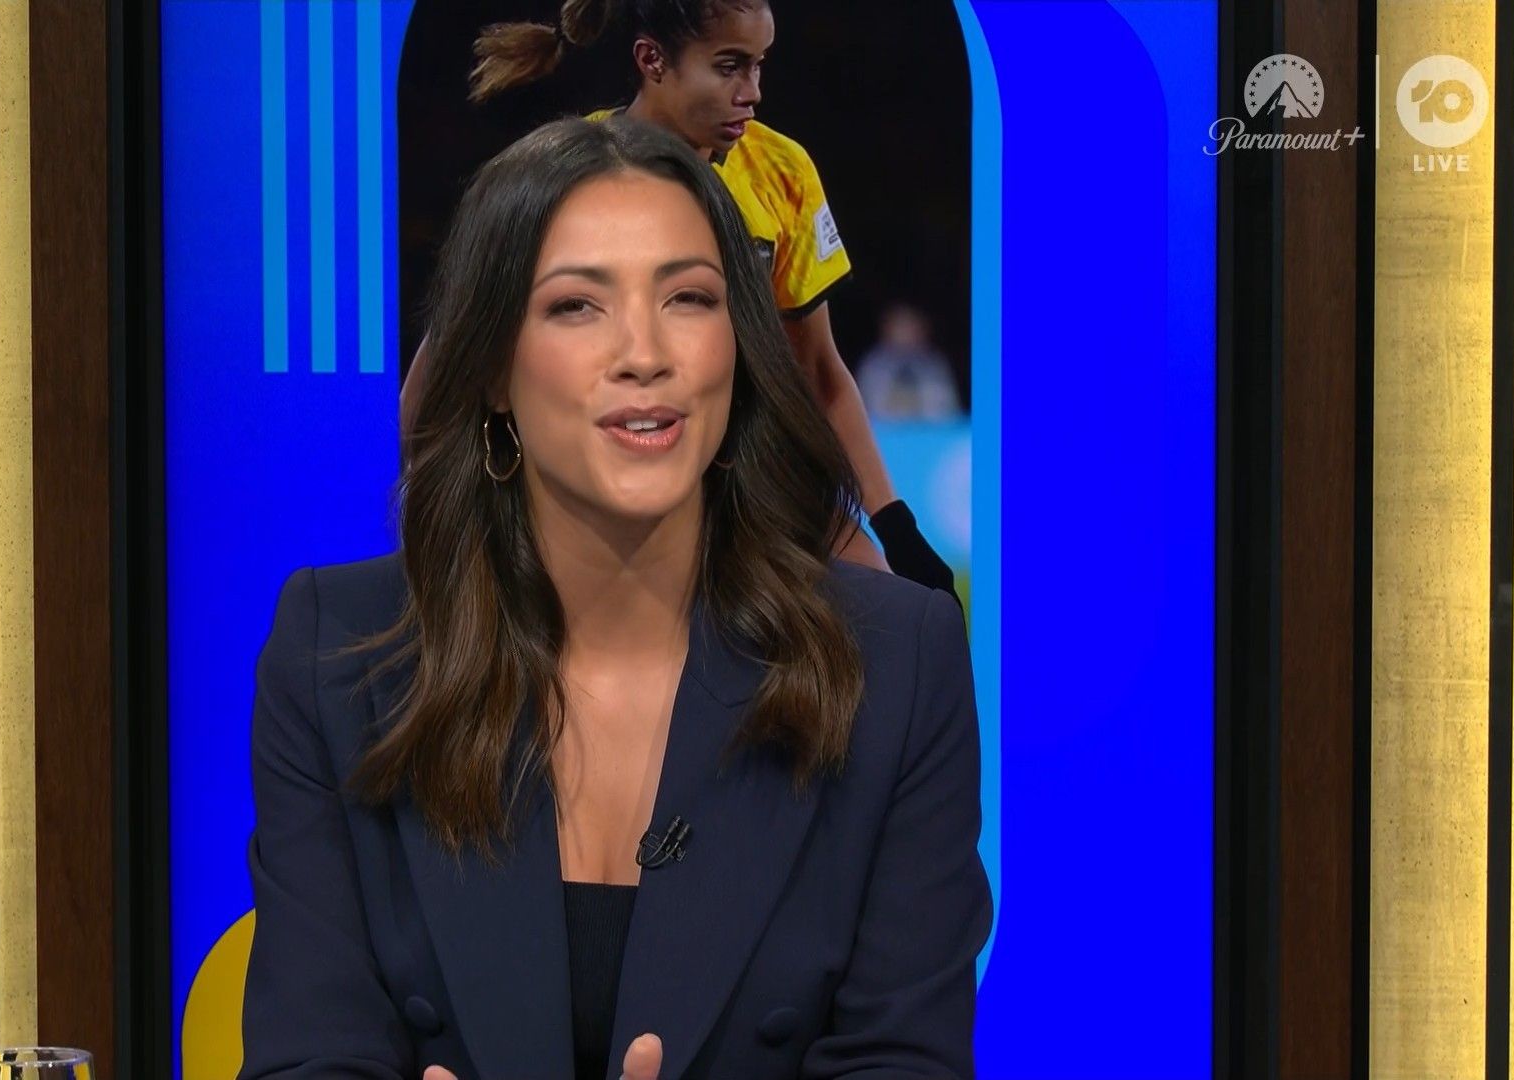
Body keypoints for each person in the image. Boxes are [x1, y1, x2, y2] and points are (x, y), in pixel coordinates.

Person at [239, 117, 989, 1080]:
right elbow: (310, 1055)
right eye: (576, 306)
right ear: (493, 368)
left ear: (738, 349)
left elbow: (904, 1062)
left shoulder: (899, 665)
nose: (644, 352)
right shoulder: (338, 656)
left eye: (688, 298)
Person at [400, 0, 957, 596]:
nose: (753, 92)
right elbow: (446, 360)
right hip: (612, 473)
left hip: (753, 470)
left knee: (884, 606)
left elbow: (819, 370)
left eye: (759, 65)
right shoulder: (560, 175)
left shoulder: (782, 172)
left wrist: (893, 524)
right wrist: (427, 500)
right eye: (729, 67)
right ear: (652, 61)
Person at [858, 303, 964, 420]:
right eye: (900, 326)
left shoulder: (935, 365)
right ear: (886, 329)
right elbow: (864, 408)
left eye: (910, 326)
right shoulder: (872, 365)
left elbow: (948, 410)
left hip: (928, 429)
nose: (905, 333)